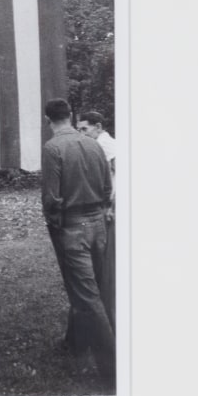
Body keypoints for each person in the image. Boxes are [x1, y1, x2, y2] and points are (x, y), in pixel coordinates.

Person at [41, 98, 116, 390]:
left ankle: (112, 371)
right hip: (99, 224)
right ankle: (75, 343)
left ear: (48, 120)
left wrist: (56, 225)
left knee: (88, 297)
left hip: (72, 227)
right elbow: (108, 188)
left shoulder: (53, 148)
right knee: (94, 287)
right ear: (71, 116)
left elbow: (51, 198)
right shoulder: (94, 144)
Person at [76, 111, 117, 331]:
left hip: (110, 208)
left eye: (85, 129)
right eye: (79, 129)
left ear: (98, 126)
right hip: (102, 206)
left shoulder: (106, 144)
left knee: (107, 265)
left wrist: (112, 206)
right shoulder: (96, 144)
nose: (82, 133)